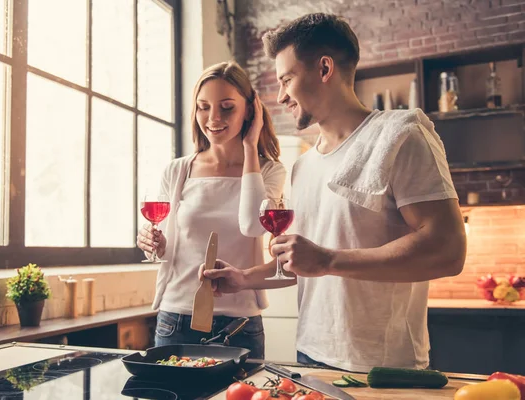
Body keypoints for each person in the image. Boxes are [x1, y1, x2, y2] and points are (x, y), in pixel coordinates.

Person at [202, 14, 467, 372]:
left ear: (324, 68)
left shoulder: (401, 135)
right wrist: (244, 278)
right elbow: (308, 260)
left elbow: (448, 250)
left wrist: (328, 261)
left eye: (287, 79)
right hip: (310, 355)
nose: (280, 96)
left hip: (381, 366)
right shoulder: (304, 165)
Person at [136, 61, 286, 359]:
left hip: (240, 322)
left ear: (250, 110)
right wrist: (155, 244)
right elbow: (168, 250)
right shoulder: (178, 170)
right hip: (176, 317)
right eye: (203, 107)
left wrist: (249, 147)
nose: (213, 118)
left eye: (227, 107)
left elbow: (253, 226)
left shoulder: (270, 171)